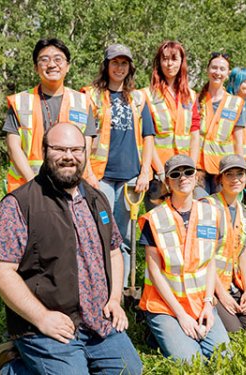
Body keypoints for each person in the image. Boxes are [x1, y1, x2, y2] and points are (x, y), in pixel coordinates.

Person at [0, 123, 142, 374]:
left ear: (85, 153)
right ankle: (13, 367)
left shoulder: (97, 199)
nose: (68, 156)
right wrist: (42, 318)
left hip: (97, 322)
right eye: (59, 149)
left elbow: (114, 251)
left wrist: (114, 298)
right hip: (47, 327)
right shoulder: (20, 204)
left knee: (130, 370)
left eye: (76, 149)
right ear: (44, 151)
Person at [138, 154, 229, 362]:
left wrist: (207, 304)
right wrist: (181, 315)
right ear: (168, 182)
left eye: (188, 172)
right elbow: (154, 272)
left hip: (199, 303)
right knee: (192, 362)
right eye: (175, 174)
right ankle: (157, 329)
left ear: (196, 177)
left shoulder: (211, 214)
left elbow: (210, 263)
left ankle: (172, 334)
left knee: (225, 357)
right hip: (165, 305)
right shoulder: (155, 219)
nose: (183, 177)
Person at [82, 44, 155, 286]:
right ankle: (98, 285)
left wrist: (145, 171)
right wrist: (88, 173)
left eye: (124, 63)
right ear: (106, 65)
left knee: (123, 236)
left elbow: (148, 136)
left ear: (130, 67)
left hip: (130, 177)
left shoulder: (138, 98)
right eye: (115, 62)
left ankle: (121, 287)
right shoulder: (91, 96)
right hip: (101, 176)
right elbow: (85, 136)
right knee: (100, 232)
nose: (119, 67)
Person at [3, 38, 98, 193]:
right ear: (36, 67)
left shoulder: (82, 102)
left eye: (58, 59)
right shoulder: (20, 102)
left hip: (70, 187)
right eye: (44, 60)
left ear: (67, 66)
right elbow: (13, 147)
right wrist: (33, 183)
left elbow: (84, 148)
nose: (52, 64)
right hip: (28, 188)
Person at [201, 154, 246, 333]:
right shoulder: (207, 206)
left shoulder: (245, 212)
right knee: (235, 331)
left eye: (240, 174)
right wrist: (221, 294)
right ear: (220, 179)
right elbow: (205, 256)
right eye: (229, 174)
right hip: (210, 285)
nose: (235, 179)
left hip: (232, 283)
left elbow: (244, 253)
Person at [141, 41, 201, 177]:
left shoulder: (191, 95)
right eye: (165, 59)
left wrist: (192, 166)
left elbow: (194, 134)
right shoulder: (147, 95)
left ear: (181, 62)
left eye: (174, 59)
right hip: (159, 169)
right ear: (159, 62)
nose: (169, 64)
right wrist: (160, 170)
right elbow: (147, 136)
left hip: (184, 168)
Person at [197, 53, 245, 193]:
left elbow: (238, 142)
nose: (217, 72)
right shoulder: (195, 100)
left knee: (220, 210)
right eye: (214, 68)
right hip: (198, 168)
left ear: (228, 73)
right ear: (207, 70)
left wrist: (240, 170)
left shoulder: (235, 103)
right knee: (201, 209)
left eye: (222, 69)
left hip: (224, 169)